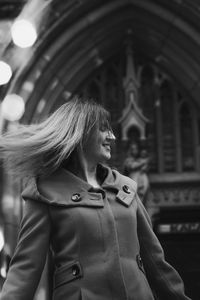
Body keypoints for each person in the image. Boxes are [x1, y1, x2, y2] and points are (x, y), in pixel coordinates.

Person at [0, 96, 191, 300]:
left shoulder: (125, 188)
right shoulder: (46, 195)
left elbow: (156, 262)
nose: (113, 136)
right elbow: (25, 270)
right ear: (80, 133)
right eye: (103, 129)